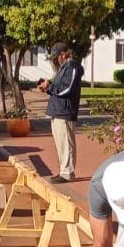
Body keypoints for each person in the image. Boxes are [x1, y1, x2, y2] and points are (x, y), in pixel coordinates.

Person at [37, 42, 83, 184]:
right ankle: (64, 171)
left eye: (57, 57)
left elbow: (67, 88)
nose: (56, 60)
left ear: (64, 54)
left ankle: (67, 172)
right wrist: (48, 86)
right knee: (61, 144)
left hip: (65, 112)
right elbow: (58, 86)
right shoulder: (63, 68)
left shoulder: (72, 67)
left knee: (66, 144)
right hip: (57, 112)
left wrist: (49, 86)